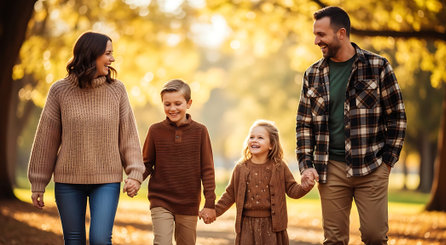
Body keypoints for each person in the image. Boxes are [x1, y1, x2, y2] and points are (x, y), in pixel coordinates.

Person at [296, 6, 407, 245]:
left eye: (321, 35)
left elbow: (397, 117)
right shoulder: (312, 74)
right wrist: (306, 164)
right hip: (330, 168)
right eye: (315, 34)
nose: (316, 40)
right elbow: (304, 124)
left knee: (375, 236)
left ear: (341, 33)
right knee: (334, 240)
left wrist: (387, 161)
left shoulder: (377, 67)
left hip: (371, 166)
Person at [28, 31, 145, 245]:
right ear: (92, 54)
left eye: (112, 54)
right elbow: (46, 139)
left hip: (107, 180)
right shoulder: (59, 90)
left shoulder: (117, 90)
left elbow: (128, 135)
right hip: (68, 181)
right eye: (108, 53)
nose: (112, 59)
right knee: (74, 241)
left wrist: (135, 173)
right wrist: (38, 182)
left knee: (100, 239)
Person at [211, 120, 313, 245]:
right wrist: (213, 211)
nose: (254, 140)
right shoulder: (240, 168)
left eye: (260, 138)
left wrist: (305, 186)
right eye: (251, 137)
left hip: (273, 227)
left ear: (271, 144)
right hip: (246, 227)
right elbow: (229, 194)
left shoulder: (279, 167)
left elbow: (292, 190)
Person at [142, 79, 216, 245]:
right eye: (167, 104)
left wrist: (210, 203)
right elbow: (146, 163)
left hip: (188, 203)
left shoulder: (200, 131)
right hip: (160, 199)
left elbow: (207, 170)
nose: (172, 108)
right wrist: (135, 178)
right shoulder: (155, 131)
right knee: (161, 242)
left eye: (178, 103)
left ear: (188, 103)